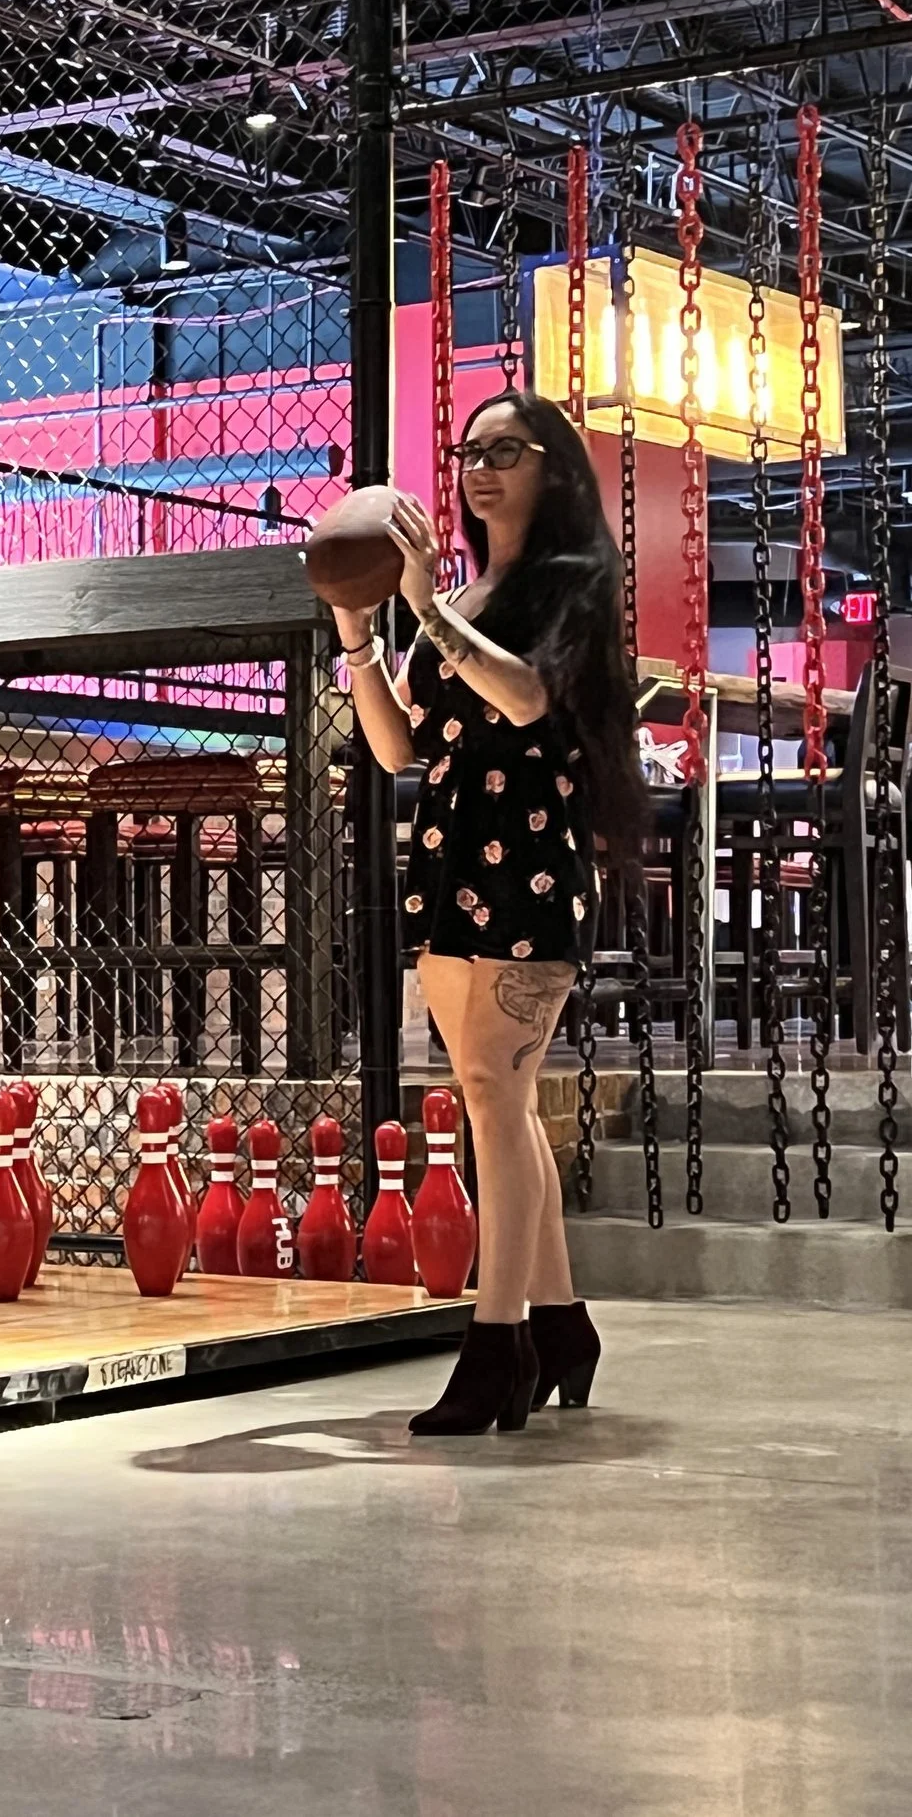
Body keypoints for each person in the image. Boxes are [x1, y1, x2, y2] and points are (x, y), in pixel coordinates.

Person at [328, 391, 645, 1433]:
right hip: (449, 850)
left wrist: (427, 610)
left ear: (553, 467)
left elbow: (524, 698)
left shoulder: (576, 581)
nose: (479, 469)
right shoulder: (462, 592)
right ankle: (561, 1324)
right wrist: (357, 632)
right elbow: (398, 746)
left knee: (493, 1098)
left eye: (505, 450)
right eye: (469, 451)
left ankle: (496, 1342)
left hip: (533, 859)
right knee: (490, 1099)